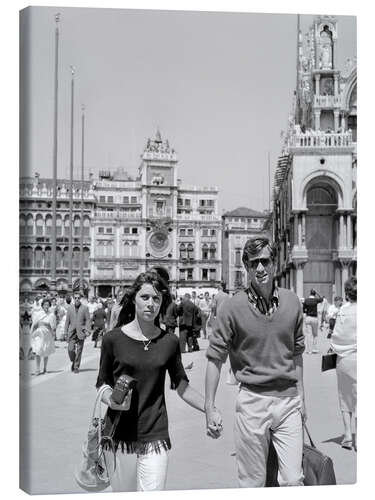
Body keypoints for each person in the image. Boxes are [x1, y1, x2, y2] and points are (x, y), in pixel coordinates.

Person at [205, 234, 306, 487]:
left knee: (294, 480)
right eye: (253, 263)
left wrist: (302, 399)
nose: (259, 268)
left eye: (264, 261)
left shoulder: (293, 302)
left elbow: (297, 354)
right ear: (246, 266)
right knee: (253, 482)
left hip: (288, 400)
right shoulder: (231, 307)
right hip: (251, 401)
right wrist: (209, 407)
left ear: (273, 262)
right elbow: (215, 358)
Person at [96, 270, 205, 492]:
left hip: (155, 434)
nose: (151, 304)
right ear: (134, 299)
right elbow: (103, 383)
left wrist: (209, 408)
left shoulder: (170, 342)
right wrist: (112, 400)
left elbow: (181, 385)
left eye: (156, 298)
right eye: (145, 297)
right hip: (118, 435)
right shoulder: (112, 339)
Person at [330, 278, 357, 450]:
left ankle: (347, 436)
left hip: (343, 360)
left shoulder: (342, 311)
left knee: (345, 397)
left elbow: (335, 336)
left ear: (347, 293)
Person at [64, 292, 91, 373]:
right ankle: (74, 360)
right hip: (72, 332)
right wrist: (65, 332)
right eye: (75, 298)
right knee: (70, 349)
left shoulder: (85, 308)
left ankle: (76, 367)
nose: (77, 299)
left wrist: (87, 330)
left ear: (81, 299)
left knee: (79, 350)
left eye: (78, 298)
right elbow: (67, 321)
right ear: (73, 298)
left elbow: (88, 320)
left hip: (81, 331)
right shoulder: (70, 308)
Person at [30, 298, 56, 375]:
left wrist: (49, 326)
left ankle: (45, 368)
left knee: (46, 351)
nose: (46, 306)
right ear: (42, 306)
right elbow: (34, 324)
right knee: (38, 350)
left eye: (48, 305)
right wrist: (31, 334)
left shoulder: (52, 315)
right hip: (39, 334)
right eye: (45, 304)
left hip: (47, 334)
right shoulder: (38, 314)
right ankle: (37, 369)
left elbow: (53, 326)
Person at [303, 289, 323, 354]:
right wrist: (317, 293)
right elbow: (321, 299)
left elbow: (304, 310)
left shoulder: (306, 300)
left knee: (308, 334)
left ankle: (309, 350)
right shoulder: (316, 300)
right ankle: (315, 349)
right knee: (315, 334)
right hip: (314, 318)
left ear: (310, 294)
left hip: (308, 318)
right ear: (314, 294)